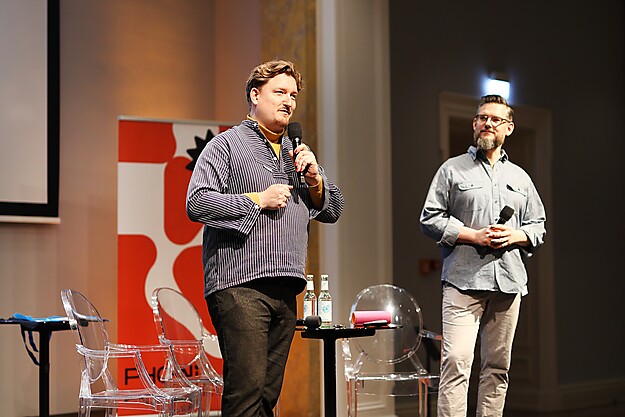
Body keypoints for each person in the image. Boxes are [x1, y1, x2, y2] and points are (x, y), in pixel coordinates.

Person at [186, 60, 344, 417]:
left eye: (293, 95)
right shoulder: (225, 145)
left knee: (266, 399)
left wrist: (316, 181)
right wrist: (258, 199)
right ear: (255, 95)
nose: (288, 101)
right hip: (239, 286)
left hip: (286, 288)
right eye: (279, 92)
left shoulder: (298, 154)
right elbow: (196, 202)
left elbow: (333, 209)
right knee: (246, 394)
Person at [420, 95, 546, 417]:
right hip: (463, 282)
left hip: (508, 282)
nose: (487, 123)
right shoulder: (452, 170)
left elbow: (538, 226)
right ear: (475, 124)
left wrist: (515, 235)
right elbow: (430, 219)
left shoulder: (520, 178)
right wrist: (473, 235)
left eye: (495, 119)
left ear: (509, 128)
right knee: (456, 362)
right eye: (482, 118)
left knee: (497, 368)